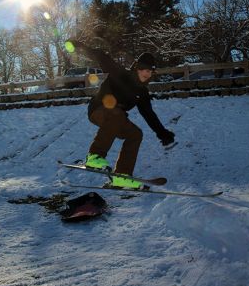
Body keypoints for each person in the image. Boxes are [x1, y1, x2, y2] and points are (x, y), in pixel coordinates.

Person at [68, 39, 175, 189]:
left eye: (150, 71)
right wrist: (79, 46)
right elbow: (101, 56)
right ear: (137, 67)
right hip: (98, 110)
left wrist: (163, 134)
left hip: (115, 119)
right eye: (144, 69)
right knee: (117, 113)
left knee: (135, 134)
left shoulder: (142, 92)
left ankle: (122, 176)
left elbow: (149, 114)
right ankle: (95, 156)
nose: (147, 73)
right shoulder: (121, 74)